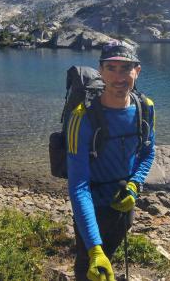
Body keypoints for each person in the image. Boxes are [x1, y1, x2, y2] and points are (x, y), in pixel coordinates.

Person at [67, 40, 156, 281]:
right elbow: (78, 185)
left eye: (125, 68)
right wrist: (94, 247)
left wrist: (135, 185)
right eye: (111, 68)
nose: (119, 77)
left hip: (124, 202)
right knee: (88, 263)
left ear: (137, 70)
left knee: (112, 252)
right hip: (91, 207)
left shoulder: (145, 108)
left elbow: (148, 153)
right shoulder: (82, 118)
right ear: (100, 71)